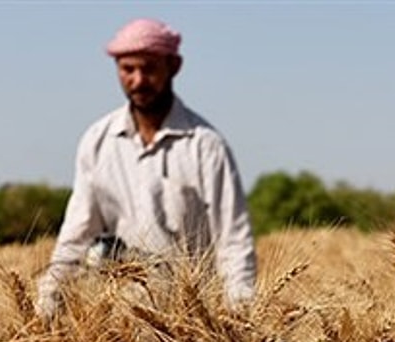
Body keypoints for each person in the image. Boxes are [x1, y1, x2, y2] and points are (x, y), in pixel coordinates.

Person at [36, 18, 257, 319]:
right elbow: (77, 236)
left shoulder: (206, 147)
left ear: (173, 67)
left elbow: (233, 242)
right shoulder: (97, 142)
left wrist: (239, 321)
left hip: (193, 325)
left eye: (149, 68)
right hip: (118, 324)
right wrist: (46, 304)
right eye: (128, 70)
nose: (138, 80)